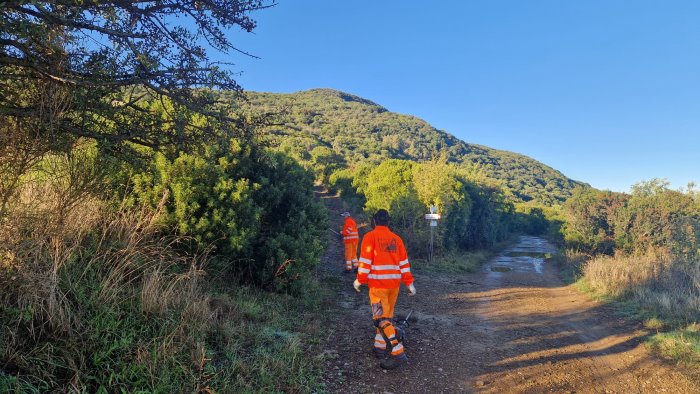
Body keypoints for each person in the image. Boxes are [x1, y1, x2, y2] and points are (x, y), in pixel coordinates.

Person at [353, 209, 416, 370]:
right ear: (389, 222)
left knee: (380, 319)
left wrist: (359, 281)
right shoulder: (397, 239)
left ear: (374, 221)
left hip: (378, 286)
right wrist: (409, 284)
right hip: (393, 286)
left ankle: (397, 351)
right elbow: (404, 264)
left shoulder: (369, 237)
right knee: (386, 316)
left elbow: (365, 263)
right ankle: (379, 347)